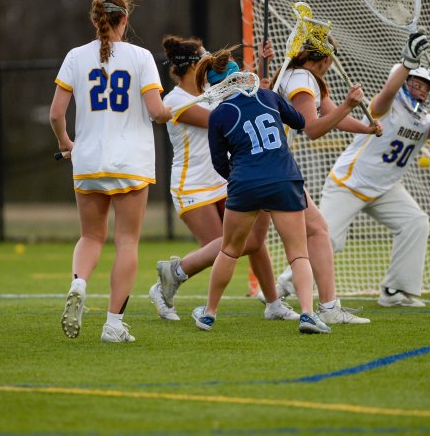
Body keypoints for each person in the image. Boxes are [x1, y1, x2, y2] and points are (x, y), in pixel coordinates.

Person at [50, 0, 172, 343]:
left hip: (88, 161)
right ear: (125, 19)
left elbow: (56, 115)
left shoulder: (75, 56)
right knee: (127, 241)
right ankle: (113, 325)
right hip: (130, 163)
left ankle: (79, 283)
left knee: (91, 236)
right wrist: (172, 111)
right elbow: (156, 111)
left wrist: (65, 143)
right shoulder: (141, 57)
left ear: (94, 20)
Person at [151, 43, 299, 322]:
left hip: (226, 180)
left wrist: (261, 71)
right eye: (205, 56)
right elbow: (225, 119)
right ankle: (173, 275)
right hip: (192, 185)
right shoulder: (176, 101)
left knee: (254, 241)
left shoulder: (214, 91)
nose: (211, 59)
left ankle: (274, 304)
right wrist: (257, 99)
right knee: (225, 247)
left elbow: (238, 100)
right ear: (194, 66)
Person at [317, 32, 430, 308]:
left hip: (385, 189)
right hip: (350, 183)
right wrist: (408, 62)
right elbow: (388, 91)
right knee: (328, 240)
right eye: (417, 83)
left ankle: (395, 290)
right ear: (405, 80)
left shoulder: (424, 120)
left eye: (426, 87)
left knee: (415, 222)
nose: (421, 91)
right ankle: (286, 284)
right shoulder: (386, 106)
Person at [190, 60, 331, 334]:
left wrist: (242, 179)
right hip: (284, 178)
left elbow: (219, 163)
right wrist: (274, 101)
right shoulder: (267, 96)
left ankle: (208, 314)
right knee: (298, 253)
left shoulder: (218, 115)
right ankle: (308, 314)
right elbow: (300, 121)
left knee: (229, 250)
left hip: (245, 183)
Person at [269, 38, 380, 325]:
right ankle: (328, 307)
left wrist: (366, 129)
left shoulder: (300, 76)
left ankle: (179, 273)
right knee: (318, 230)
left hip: (258, 166)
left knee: (240, 244)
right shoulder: (302, 80)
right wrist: (349, 104)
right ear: (327, 59)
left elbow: (332, 116)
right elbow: (313, 129)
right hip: (273, 167)